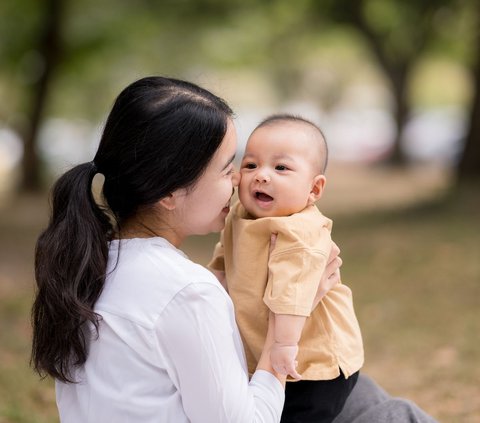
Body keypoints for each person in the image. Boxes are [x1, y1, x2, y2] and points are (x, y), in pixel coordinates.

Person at [30, 75, 438, 423]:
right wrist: (290, 328)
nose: (242, 183)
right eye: (232, 168)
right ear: (171, 192)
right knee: (396, 415)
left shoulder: (92, 261)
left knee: (365, 395)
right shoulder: (187, 292)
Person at [208, 114, 363, 423]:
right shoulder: (240, 216)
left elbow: (292, 293)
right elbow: (223, 260)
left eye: (281, 168)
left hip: (313, 364)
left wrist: (283, 346)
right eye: (251, 165)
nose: (261, 176)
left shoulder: (300, 231)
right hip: (274, 356)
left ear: (314, 189)